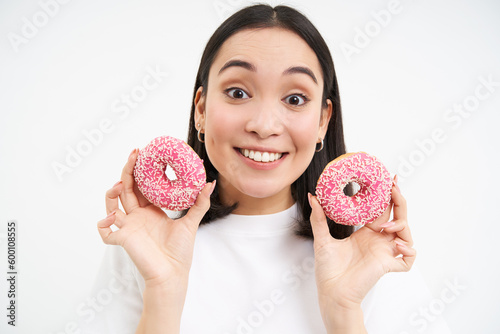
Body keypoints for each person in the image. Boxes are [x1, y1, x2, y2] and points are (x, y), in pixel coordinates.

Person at [80, 4, 451, 334]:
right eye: (238, 92)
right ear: (201, 109)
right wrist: (163, 290)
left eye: (294, 98)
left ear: (323, 121)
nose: (264, 124)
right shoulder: (150, 240)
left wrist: (344, 313)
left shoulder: (366, 251)